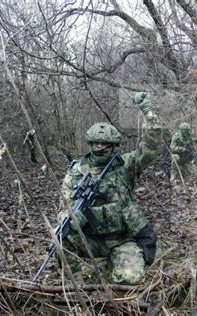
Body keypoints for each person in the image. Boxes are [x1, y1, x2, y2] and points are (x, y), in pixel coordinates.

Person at [57, 92, 162, 285]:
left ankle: (110, 267)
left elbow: (150, 147)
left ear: (113, 145)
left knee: (131, 278)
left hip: (121, 240)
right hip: (89, 240)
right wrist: (71, 218)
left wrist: (148, 113)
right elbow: (63, 208)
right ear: (90, 144)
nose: (100, 147)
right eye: (96, 143)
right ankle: (79, 286)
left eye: (105, 144)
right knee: (60, 237)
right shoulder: (75, 173)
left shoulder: (126, 166)